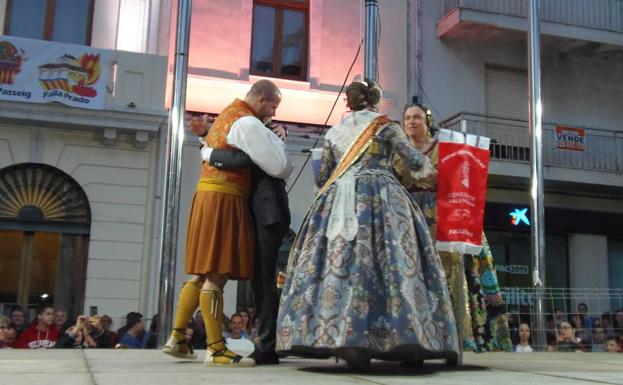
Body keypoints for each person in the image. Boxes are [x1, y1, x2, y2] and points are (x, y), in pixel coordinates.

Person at [276, 79, 459, 371]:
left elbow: (323, 178)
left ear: (348, 102)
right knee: (393, 263)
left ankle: (338, 334)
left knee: (338, 264)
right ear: (375, 101)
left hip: (338, 200)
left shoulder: (335, 131)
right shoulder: (386, 126)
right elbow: (415, 161)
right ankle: (404, 338)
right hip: (382, 198)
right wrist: (431, 172)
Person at [162, 79, 293, 367]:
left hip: (206, 195)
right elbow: (279, 166)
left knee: (200, 271)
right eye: (274, 105)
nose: (274, 112)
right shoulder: (247, 122)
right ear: (262, 99)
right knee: (218, 272)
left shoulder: (225, 115)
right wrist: (277, 141)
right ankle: (216, 348)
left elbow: (217, 151)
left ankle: (178, 336)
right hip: (226, 198)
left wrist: (209, 152)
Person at [393, 103, 512, 352]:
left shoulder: (443, 148)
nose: (411, 122)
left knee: (453, 270)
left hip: (442, 214)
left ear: (427, 121)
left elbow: (455, 178)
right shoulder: (397, 152)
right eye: (407, 118)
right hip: (409, 216)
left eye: (416, 117)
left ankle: (459, 332)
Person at [199, 114, 291, 365]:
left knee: (264, 281)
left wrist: (207, 152)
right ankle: (267, 343)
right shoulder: (266, 135)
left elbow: (241, 160)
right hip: (263, 212)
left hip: (267, 214)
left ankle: (268, 345)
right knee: (261, 282)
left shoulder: (262, 137)